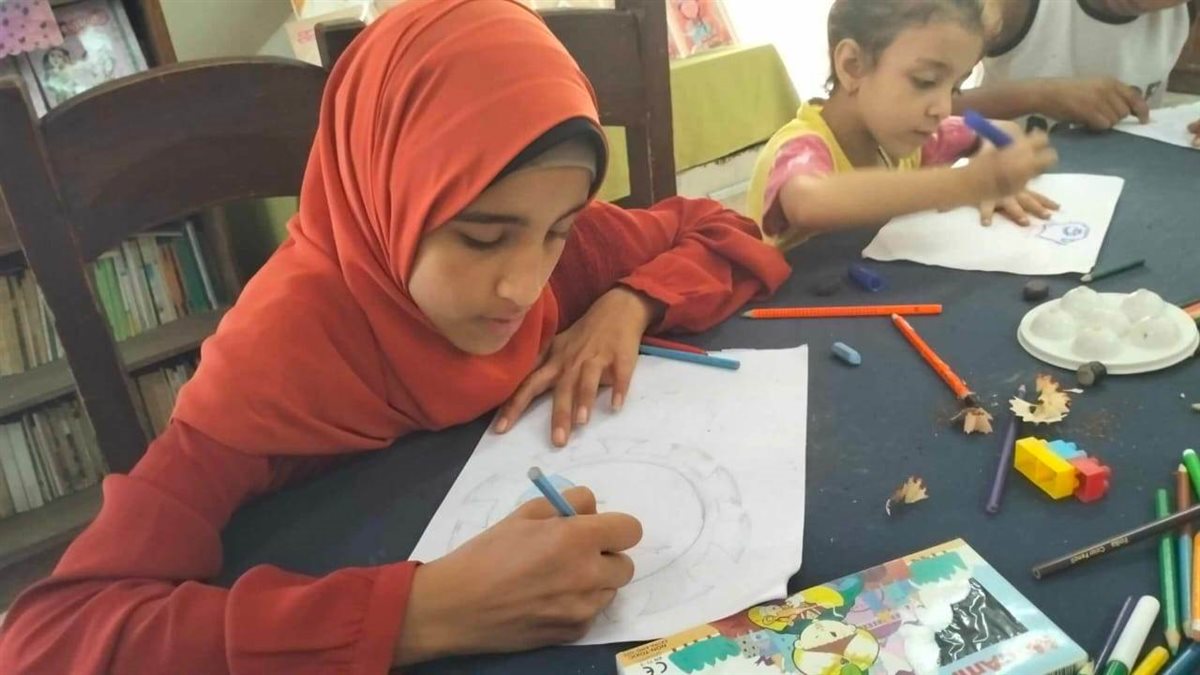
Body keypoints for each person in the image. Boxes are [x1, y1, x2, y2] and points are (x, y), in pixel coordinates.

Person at [0, 1, 791, 672]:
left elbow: (721, 228)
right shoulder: (274, 365)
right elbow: (46, 640)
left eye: (556, 229)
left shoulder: (564, 255)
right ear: (385, 200)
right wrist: (419, 613)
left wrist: (629, 302)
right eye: (482, 238)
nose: (523, 286)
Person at [747, 0, 1059, 252]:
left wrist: (994, 167)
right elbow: (809, 202)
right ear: (852, 66)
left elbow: (1003, 131)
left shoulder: (907, 134)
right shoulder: (800, 147)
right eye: (925, 81)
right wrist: (965, 185)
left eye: (954, 88)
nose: (943, 108)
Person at [955, 0, 1197, 140]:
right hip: (1003, 178)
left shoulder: (1182, 11)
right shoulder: (1008, 8)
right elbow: (938, 110)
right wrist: (1036, 96)